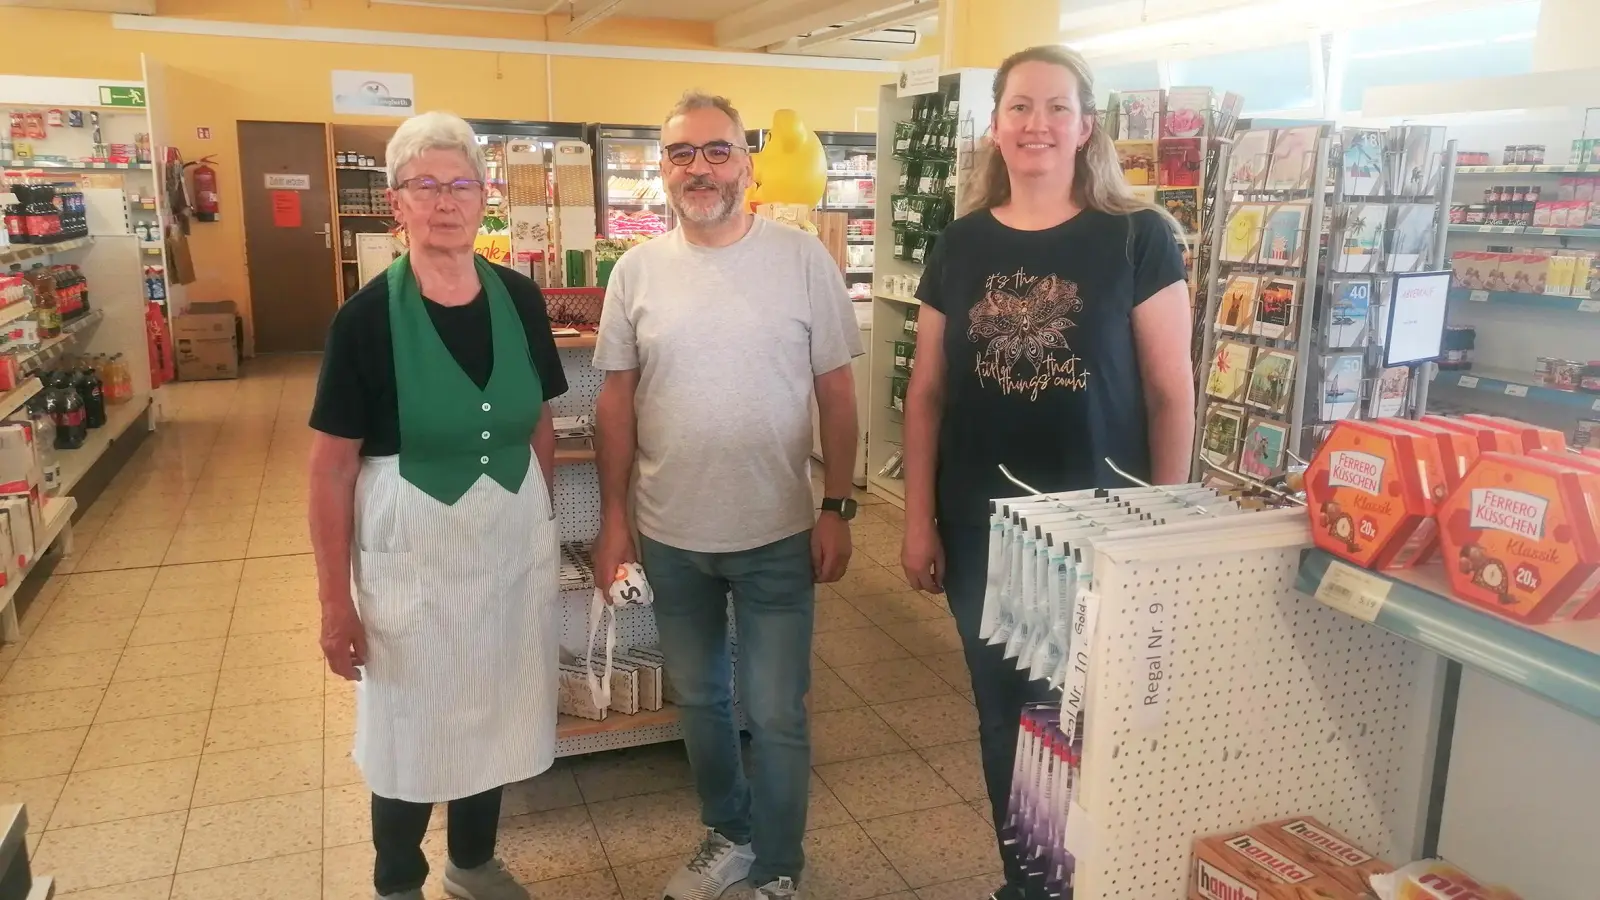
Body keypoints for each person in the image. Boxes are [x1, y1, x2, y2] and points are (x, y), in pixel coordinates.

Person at [899, 45, 1194, 900]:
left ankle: (1096, 881)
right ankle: (1028, 881)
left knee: (1092, 723)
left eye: (1057, 107)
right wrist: (917, 520)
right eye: (1020, 107)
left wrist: (1164, 530)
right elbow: (925, 394)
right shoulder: (959, 244)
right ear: (995, 127)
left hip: (1102, 538)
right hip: (981, 531)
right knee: (1005, 721)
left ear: (1086, 125)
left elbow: (1172, 393)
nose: (1037, 124)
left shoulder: (1138, 237)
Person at [590, 91, 864, 900]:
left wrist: (838, 505)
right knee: (703, 700)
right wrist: (613, 521)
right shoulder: (635, 271)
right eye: (682, 154)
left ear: (745, 164)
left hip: (779, 528)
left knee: (776, 711)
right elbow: (613, 401)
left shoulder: (800, 258)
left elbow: (838, 394)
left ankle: (780, 864)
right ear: (663, 170)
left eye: (716, 151)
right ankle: (730, 831)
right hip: (671, 534)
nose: (699, 168)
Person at [308, 110, 569, 900]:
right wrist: (334, 603)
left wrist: (544, 526)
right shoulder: (363, 322)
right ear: (398, 203)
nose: (446, 201)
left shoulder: (521, 300)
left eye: (461, 184)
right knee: (412, 722)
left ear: (485, 197)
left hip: (508, 541)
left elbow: (542, 427)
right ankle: (397, 880)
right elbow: (328, 470)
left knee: (493, 700)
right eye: (427, 185)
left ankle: (472, 861)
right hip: (411, 547)